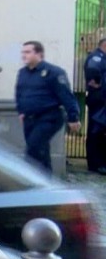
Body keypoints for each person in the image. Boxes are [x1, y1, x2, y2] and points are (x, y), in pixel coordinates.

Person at [16, 40, 81, 172]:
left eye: (28, 52)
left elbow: (66, 96)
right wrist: (21, 111)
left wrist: (73, 117)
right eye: (23, 52)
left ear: (39, 54)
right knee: (41, 151)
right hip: (29, 118)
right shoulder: (23, 72)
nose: (24, 55)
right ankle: (45, 179)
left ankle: (30, 178)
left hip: (49, 117)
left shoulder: (53, 72)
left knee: (33, 148)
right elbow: (19, 93)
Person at [84, 38, 106, 173]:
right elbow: (92, 71)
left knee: (100, 132)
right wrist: (97, 83)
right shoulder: (97, 57)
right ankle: (95, 164)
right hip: (99, 100)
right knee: (96, 131)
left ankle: (99, 163)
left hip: (101, 99)